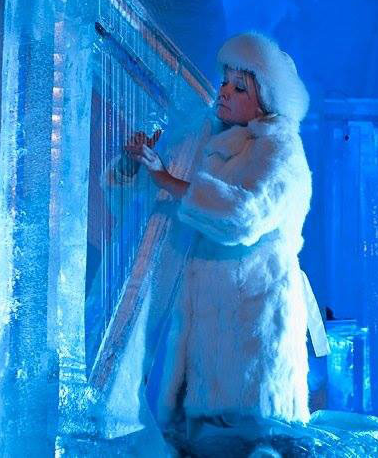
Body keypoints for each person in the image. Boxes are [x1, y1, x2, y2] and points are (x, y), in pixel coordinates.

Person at [122, 31, 329, 442]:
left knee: (251, 439)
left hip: (253, 326)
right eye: (224, 82)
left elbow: (243, 216)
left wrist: (166, 178)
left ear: (265, 100)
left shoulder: (281, 148)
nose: (224, 92)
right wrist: (143, 163)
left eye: (239, 87)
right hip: (208, 329)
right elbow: (174, 199)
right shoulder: (216, 138)